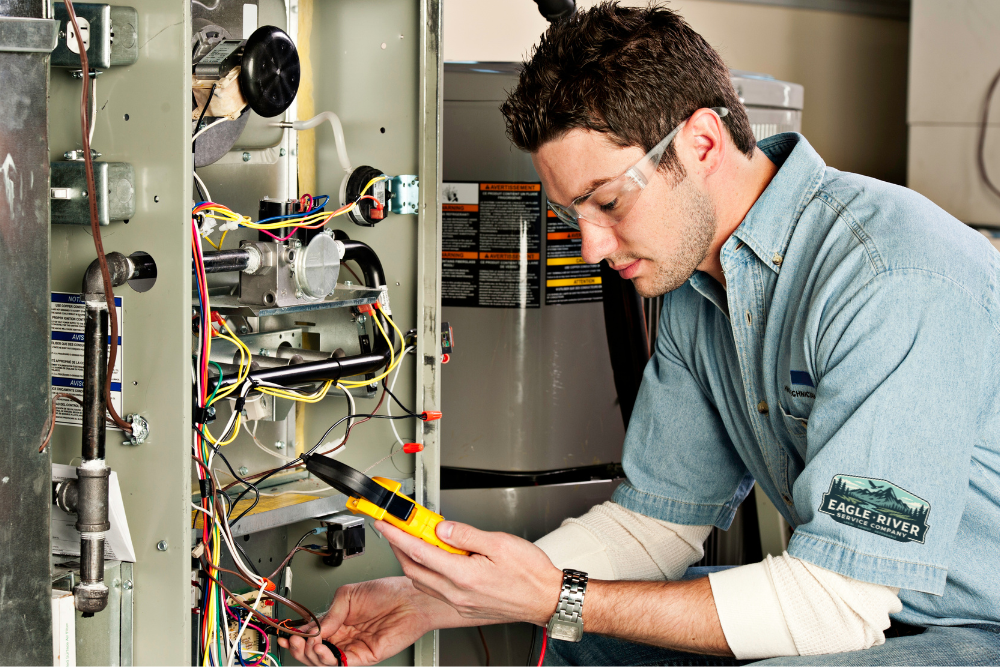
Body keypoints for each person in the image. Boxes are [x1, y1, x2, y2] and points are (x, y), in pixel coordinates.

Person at [279, 3, 1000, 665]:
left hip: (973, 624)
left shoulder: (890, 278)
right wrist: (432, 600)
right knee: (573, 643)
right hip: (883, 609)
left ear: (704, 141)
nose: (590, 247)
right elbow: (654, 527)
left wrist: (553, 595)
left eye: (609, 201)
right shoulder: (700, 285)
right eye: (571, 216)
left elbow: (840, 605)